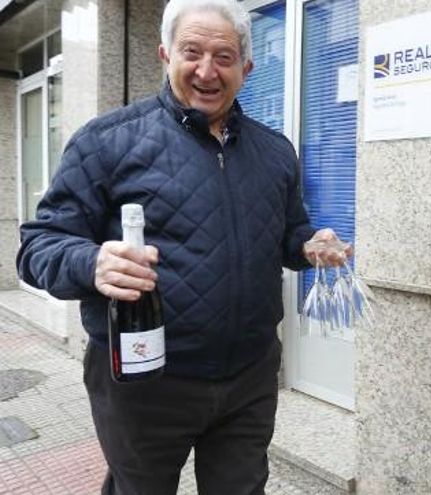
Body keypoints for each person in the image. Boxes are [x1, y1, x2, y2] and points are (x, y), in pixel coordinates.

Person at [16, 0, 349, 493]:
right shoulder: (107, 142)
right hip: (143, 381)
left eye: (224, 57)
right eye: (191, 52)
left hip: (249, 378)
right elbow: (38, 246)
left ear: (247, 68)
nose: (207, 70)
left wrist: (309, 245)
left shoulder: (275, 152)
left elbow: (287, 235)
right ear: (165, 54)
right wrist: (92, 263)